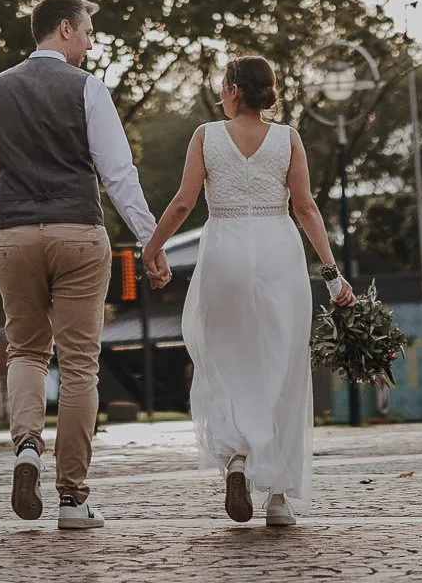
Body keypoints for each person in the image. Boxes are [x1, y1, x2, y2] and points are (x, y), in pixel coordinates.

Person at [0, 0, 160, 531]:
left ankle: (26, 448)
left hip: (15, 237)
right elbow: (118, 175)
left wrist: (14, 200)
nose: (91, 41)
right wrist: (150, 239)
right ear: (64, 28)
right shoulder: (87, 88)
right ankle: (73, 499)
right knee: (78, 365)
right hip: (79, 236)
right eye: (88, 30)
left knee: (23, 348)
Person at [142, 55, 353, 529]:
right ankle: (278, 496)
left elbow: (182, 203)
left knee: (226, 360)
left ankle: (237, 456)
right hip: (280, 254)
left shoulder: (206, 136)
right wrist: (333, 273)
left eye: (223, 82)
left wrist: (151, 250)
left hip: (225, 252)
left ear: (235, 89)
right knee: (283, 366)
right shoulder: (289, 139)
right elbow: (306, 207)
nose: (220, 89)